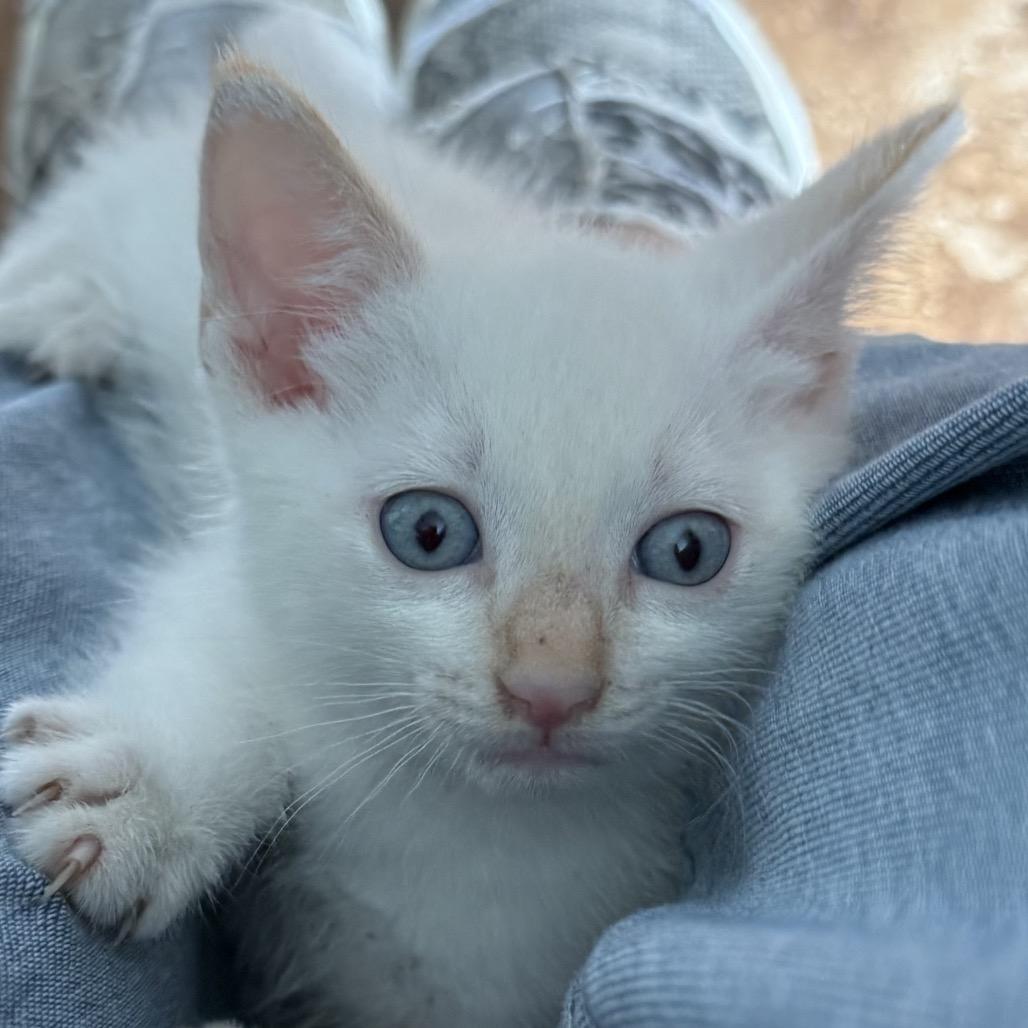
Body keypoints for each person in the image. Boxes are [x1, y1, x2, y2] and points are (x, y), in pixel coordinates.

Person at [2, 3, 1027, 1027]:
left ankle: (351, 85)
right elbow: (245, 615)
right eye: (431, 532)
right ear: (287, 356)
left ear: (803, 391)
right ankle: (625, 182)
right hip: (191, 237)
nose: (553, 676)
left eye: (682, 551)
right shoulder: (325, 374)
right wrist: (173, 772)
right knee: (97, 283)